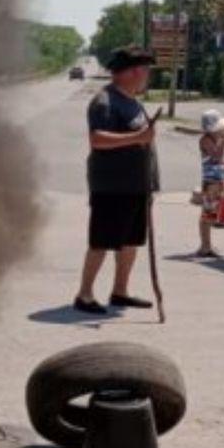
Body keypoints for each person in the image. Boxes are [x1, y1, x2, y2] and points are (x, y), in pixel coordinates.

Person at [75, 46, 159, 314]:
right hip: (112, 186)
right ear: (132, 72)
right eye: (145, 70)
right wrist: (137, 138)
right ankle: (84, 295)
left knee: (130, 242)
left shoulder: (132, 100)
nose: (147, 76)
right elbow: (97, 139)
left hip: (137, 186)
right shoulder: (105, 101)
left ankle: (120, 291)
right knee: (101, 241)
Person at [196, 108, 224, 258]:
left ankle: (207, 245)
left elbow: (222, 162)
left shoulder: (216, 139)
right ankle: (205, 246)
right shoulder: (205, 140)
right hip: (211, 183)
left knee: (211, 214)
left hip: (217, 182)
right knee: (208, 214)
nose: (222, 131)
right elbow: (216, 157)